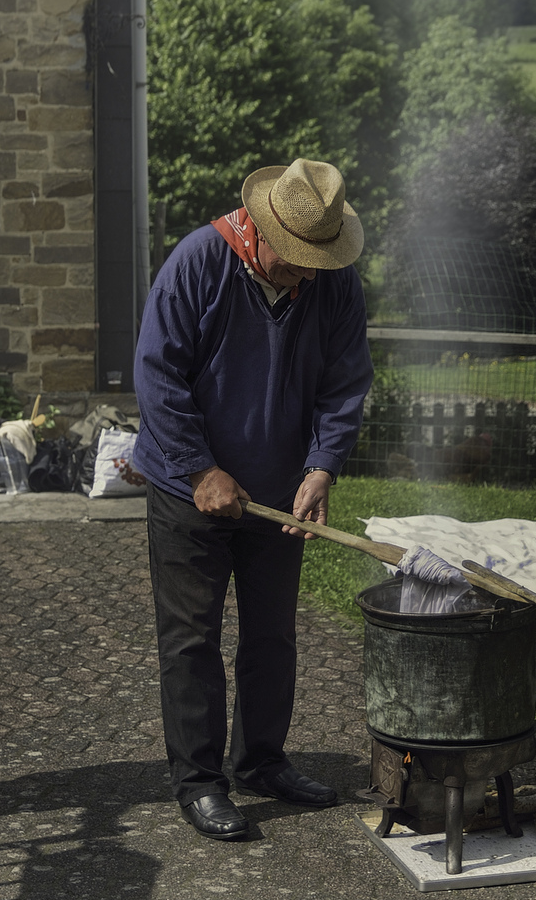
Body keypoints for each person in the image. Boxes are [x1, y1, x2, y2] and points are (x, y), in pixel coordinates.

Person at [132, 158, 374, 840]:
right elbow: (158, 376)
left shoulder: (332, 283)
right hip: (189, 490)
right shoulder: (198, 263)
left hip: (277, 492)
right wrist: (200, 469)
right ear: (262, 232)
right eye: (298, 260)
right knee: (191, 642)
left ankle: (262, 761)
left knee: (273, 637)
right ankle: (200, 782)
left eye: (318, 262)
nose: (310, 273)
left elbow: (346, 379)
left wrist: (323, 466)